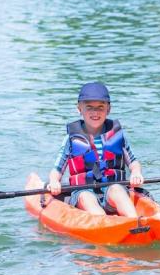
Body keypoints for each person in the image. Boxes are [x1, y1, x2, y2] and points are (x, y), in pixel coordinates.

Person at [45, 82, 145, 217]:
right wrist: (54, 181)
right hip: (83, 191)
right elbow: (57, 170)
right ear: (79, 108)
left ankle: (136, 223)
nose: (95, 112)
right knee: (86, 197)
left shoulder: (117, 135)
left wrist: (136, 173)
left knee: (117, 190)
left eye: (100, 107)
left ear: (108, 109)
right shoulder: (71, 139)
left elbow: (133, 162)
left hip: (112, 186)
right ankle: (103, 223)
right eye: (89, 107)